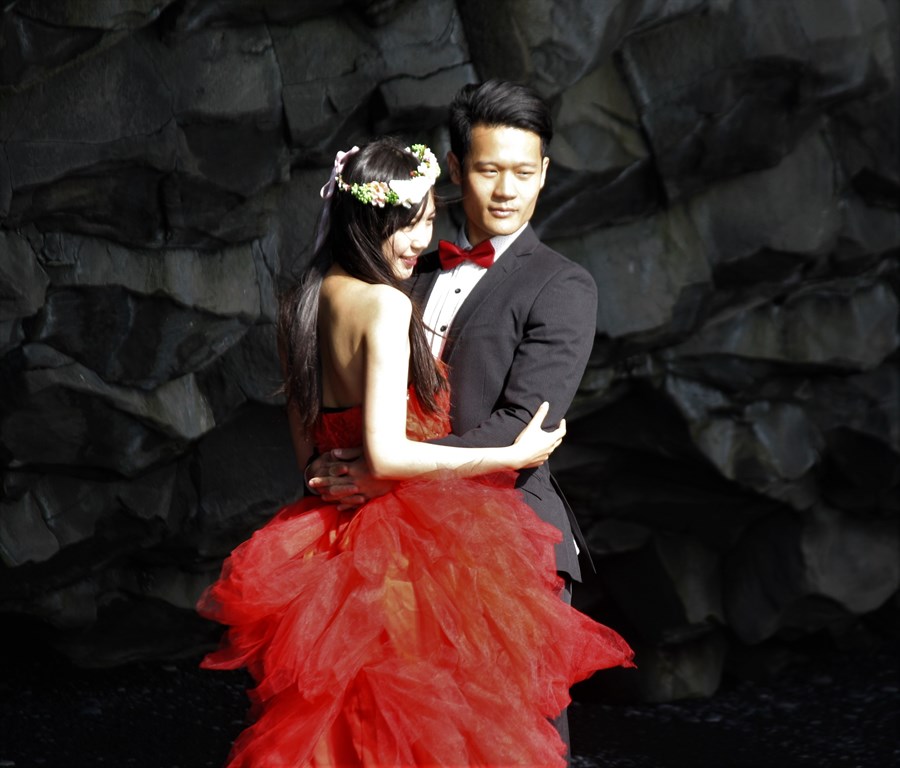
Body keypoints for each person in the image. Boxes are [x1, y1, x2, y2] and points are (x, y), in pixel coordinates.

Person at [198, 136, 634, 767]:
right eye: (403, 224)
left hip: (329, 537)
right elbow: (388, 457)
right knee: (436, 722)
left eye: (427, 219)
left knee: (343, 725)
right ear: (366, 223)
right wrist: (513, 453)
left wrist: (340, 473)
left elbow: (310, 454)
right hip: (411, 544)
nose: (418, 240)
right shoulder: (384, 305)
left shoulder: (301, 303)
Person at [308, 80, 607, 754]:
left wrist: (385, 474)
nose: (506, 190)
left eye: (524, 173)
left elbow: (520, 433)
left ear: (545, 175)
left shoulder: (562, 286)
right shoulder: (403, 268)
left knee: (511, 736)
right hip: (399, 538)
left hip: (512, 537)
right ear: (454, 169)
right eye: (488, 169)